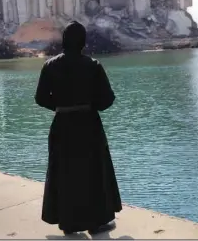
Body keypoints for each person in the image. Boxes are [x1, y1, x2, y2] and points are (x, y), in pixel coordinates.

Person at [34, 21, 122, 235]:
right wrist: (90, 105)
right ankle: (95, 223)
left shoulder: (50, 66)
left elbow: (40, 98)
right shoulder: (93, 65)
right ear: (83, 42)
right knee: (92, 173)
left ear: (63, 40)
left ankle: (68, 223)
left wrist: (60, 107)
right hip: (88, 125)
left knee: (64, 173)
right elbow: (107, 99)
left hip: (62, 125)